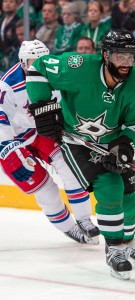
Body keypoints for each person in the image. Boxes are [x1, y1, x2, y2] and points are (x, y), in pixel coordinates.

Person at [26, 29, 135, 280]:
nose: (126, 64)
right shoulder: (78, 67)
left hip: (111, 143)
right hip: (76, 142)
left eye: (131, 58)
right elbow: (39, 68)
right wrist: (42, 109)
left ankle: (127, 242)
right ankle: (114, 249)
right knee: (109, 185)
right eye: (120, 57)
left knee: (129, 194)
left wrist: (125, 147)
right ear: (105, 55)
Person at [0, 39, 100, 245]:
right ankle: (70, 228)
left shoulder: (56, 75)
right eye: (31, 62)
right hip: (13, 142)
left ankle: (83, 219)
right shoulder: (8, 86)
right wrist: (6, 148)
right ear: (21, 62)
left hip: (41, 133)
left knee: (70, 167)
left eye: (41, 61)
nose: (36, 66)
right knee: (44, 187)